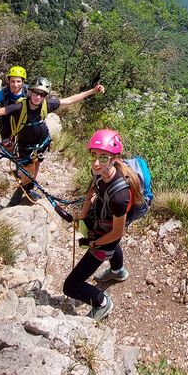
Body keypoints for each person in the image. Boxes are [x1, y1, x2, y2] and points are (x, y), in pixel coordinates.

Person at [0, 78, 105, 206]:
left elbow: (69, 100)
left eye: (42, 95)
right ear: (30, 92)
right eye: (36, 93)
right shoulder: (18, 107)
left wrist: (92, 91)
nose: (38, 97)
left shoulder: (47, 104)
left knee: (37, 163)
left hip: (42, 143)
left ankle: (29, 187)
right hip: (25, 145)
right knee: (27, 170)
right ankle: (23, 188)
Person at [63, 129, 143, 320]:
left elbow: (116, 234)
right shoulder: (99, 171)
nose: (96, 163)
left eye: (103, 157)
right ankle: (118, 272)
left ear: (114, 158)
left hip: (106, 236)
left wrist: (94, 243)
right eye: (94, 156)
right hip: (103, 221)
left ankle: (102, 302)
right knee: (113, 247)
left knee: (71, 286)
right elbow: (93, 187)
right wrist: (82, 215)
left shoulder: (119, 196)